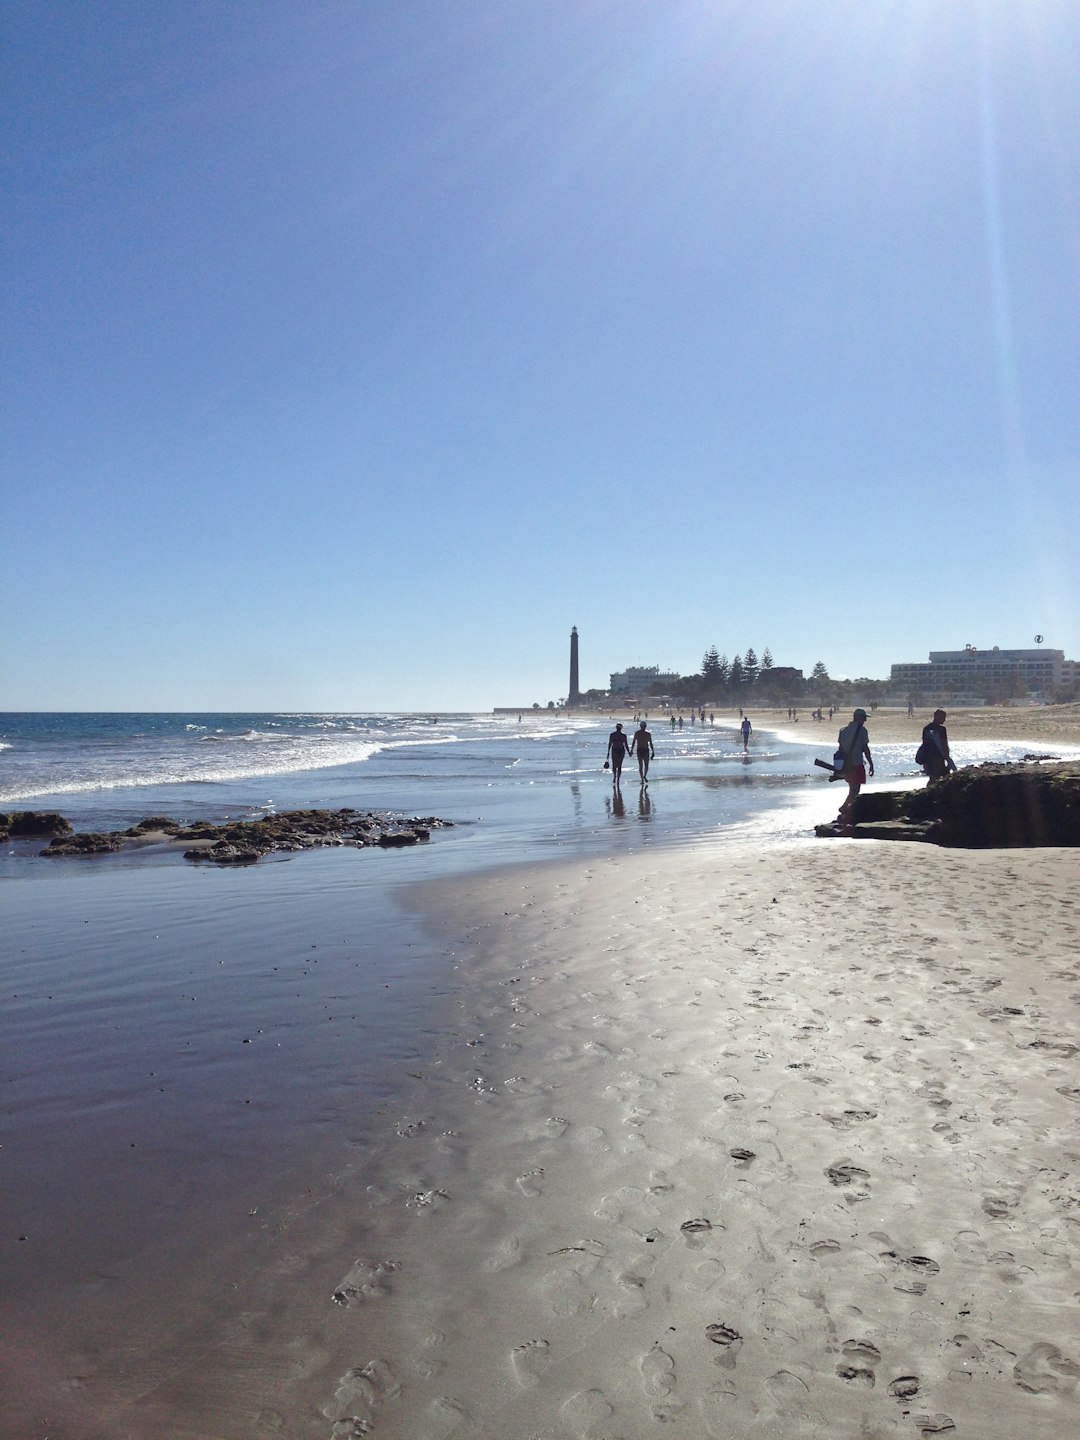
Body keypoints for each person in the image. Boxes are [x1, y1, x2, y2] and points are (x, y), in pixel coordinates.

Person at [834, 707, 874, 827]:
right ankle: (845, 808)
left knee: (852, 788)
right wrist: (871, 764)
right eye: (864, 718)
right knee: (855, 790)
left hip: (846, 764)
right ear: (859, 718)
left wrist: (839, 767)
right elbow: (865, 749)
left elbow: (840, 749)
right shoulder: (862, 731)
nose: (865, 720)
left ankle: (847, 808)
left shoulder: (843, 730)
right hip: (856, 763)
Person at [920, 709, 956, 781]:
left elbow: (925, 744)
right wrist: (948, 759)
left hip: (928, 757)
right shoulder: (941, 729)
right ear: (937, 717)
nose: (944, 720)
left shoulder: (926, 728)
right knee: (944, 776)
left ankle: (929, 791)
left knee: (933, 777)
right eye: (943, 718)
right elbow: (944, 744)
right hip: (938, 757)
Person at [630, 720, 655, 784]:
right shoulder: (640, 733)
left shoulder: (644, 734)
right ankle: (643, 778)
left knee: (643, 765)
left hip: (643, 750)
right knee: (643, 765)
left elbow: (650, 743)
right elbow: (634, 742)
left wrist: (653, 751)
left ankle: (643, 777)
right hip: (642, 750)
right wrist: (631, 750)